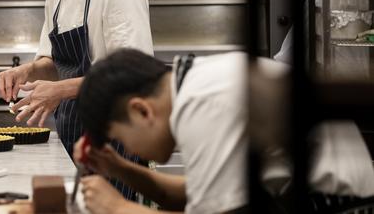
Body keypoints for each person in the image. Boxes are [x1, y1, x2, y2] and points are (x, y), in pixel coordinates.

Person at [75, 49, 374, 214]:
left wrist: (119, 209)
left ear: (142, 110)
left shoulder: (200, 102)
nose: (129, 149)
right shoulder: (195, 82)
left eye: (119, 139)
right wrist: (121, 169)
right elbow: (193, 198)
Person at [0, 0, 154, 200]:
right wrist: (28, 70)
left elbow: (134, 79)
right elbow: (55, 61)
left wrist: (59, 91)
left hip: (116, 145)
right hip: (73, 139)